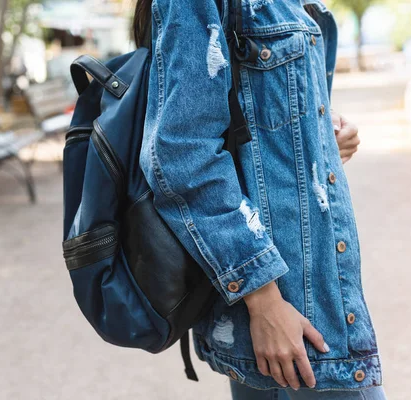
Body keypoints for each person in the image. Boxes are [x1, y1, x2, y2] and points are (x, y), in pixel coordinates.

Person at [133, 0, 386, 398]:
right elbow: (182, 153)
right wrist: (264, 301)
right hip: (282, 320)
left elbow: (260, 120)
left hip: (307, 303)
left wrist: (324, 137)